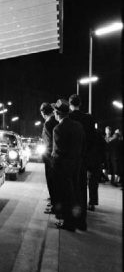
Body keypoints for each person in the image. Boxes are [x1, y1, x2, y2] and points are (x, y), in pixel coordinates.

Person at [51, 99, 85, 231]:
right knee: (76, 195)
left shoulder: (58, 129)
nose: (54, 113)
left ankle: (68, 223)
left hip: (63, 169)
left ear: (58, 113)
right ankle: (77, 221)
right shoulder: (78, 126)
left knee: (65, 196)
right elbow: (83, 146)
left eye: (55, 111)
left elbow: (58, 152)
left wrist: (54, 167)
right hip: (77, 165)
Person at [68, 94, 96, 226]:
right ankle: (82, 220)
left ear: (70, 104)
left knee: (72, 190)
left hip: (71, 159)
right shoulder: (89, 119)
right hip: (84, 159)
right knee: (82, 189)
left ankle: (73, 218)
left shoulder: (69, 117)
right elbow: (92, 140)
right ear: (81, 104)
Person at [40, 102, 57, 214]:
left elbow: (48, 143)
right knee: (55, 182)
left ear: (43, 113)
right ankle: (54, 201)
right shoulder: (56, 121)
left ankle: (54, 205)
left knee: (51, 181)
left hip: (50, 158)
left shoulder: (48, 123)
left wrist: (45, 156)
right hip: (56, 157)